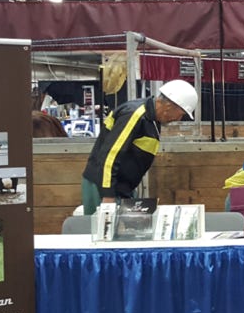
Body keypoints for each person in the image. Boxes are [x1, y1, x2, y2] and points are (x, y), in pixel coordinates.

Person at [80, 79, 199, 215]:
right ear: (169, 106)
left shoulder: (152, 120)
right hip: (104, 187)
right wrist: (108, 195)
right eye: (181, 113)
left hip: (120, 188)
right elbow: (110, 155)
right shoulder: (134, 115)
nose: (179, 119)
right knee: (101, 233)